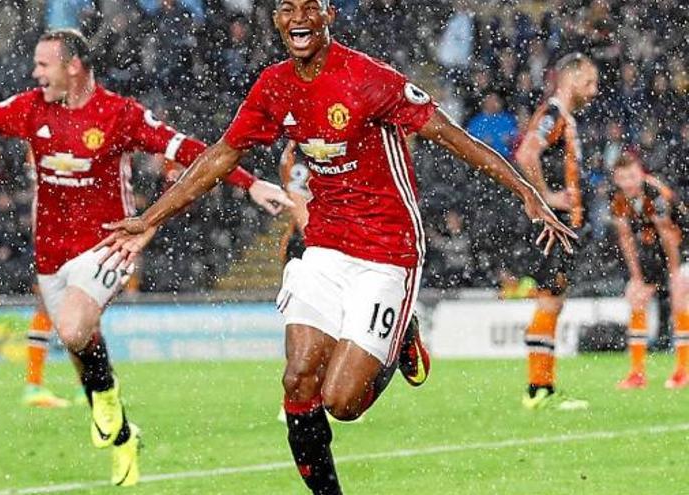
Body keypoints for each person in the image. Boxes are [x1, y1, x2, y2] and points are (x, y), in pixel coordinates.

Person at [97, 1, 575, 493]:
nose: (298, 17)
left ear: (329, 15)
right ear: (277, 18)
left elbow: (450, 135)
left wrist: (525, 192)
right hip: (324, 245)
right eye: (287, 8)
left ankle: (400, 340)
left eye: (310, 7)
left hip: (388, 250)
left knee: (342, 403)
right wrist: (148, 218)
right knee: (297, 380)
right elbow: (221, 155)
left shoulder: (369, 79)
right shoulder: (274, 85)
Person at [0, 29, 292, 487]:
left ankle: (107, 397)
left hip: (107, 244)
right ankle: (122, 434)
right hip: (50, 255)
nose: (35, 73)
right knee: (79, 342)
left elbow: (189, 150)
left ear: (73, 65)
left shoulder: (120, 115)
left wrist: (250, 183)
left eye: (44, 65)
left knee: (75, 327)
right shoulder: (31, 109)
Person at [514, 52, 599, 411]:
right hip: (553, 225)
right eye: (589, 82)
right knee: (549, 299)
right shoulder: (552, 115)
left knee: (554, 300)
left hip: (563, 225)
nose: (594, 90)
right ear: (570, 80)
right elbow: (526, 154)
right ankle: (538, 390)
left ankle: (542, 387)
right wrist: (545, 197)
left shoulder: (562, 117)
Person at [610, 153, 689, 389]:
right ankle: (637, 374)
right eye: (623, 178)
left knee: (680, 300)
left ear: (641, 173)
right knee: (635, 295)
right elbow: (626, 239)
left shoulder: (655, 193)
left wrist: (674, 275)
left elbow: (668, 235)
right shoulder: (619, 200)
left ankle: (683, 370)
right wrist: (637, 276)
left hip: (682, 248)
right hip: (653, 251)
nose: (629, 182)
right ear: (616, 179)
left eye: (632, 176)